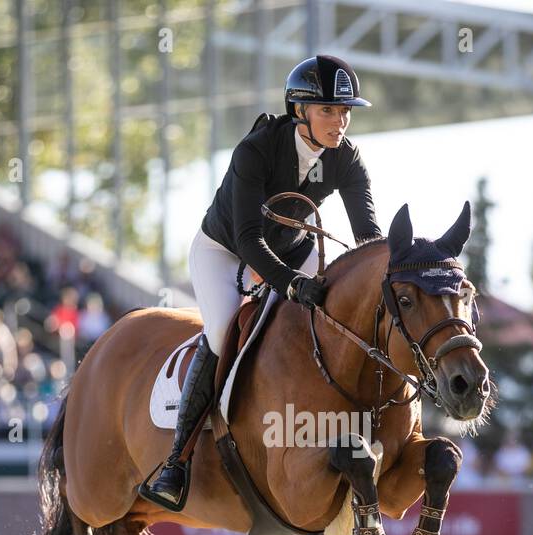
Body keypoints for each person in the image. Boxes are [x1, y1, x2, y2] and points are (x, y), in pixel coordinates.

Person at [138, 54, 382, 511]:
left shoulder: (345, 159)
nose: (340, 120)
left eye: (345, 110)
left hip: (294, 247)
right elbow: (249, 241)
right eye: (328, 110)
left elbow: (369, 238)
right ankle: (177, 461)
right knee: (221, 330)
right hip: (224, 250)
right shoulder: (257, 150)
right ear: (299, 111)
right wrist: (291, 286)